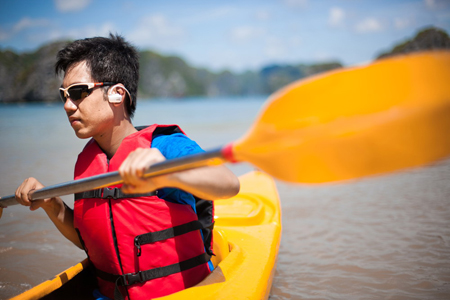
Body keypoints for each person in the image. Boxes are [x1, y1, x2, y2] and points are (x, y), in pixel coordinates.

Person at [14, 34, 240, 300]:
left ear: (117, 93)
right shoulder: (86, 163)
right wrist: (53, 205)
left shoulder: (165, 147)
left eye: (78, 93)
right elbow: (92, 244)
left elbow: (229, 184)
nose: (67, 105)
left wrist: (169, 172)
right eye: (63, 95)